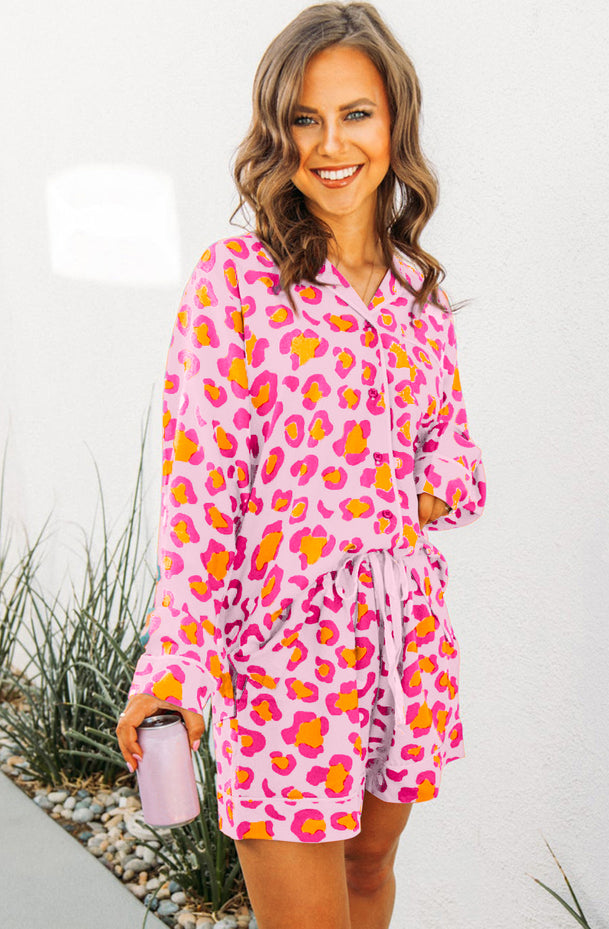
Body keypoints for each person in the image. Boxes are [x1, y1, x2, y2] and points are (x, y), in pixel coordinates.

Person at [116, 3, 486, 928]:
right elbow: (201, 500)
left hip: (403, 641)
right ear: (276, 134)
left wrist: (407, 492)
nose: (331, 144)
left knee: (369, 868)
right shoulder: (235, 283)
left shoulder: (418, 292)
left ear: (395, 123)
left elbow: (456, 455)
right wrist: (174, 666)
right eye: (304, 119)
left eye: (356, 114)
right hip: (286, 654)